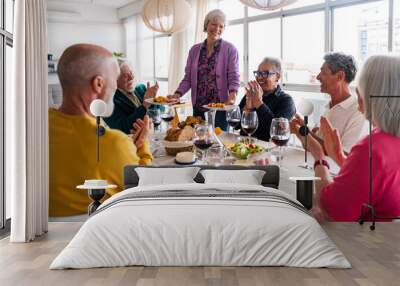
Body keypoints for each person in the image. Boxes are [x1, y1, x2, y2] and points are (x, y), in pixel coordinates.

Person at [290, 54, 400, 222]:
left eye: (362, 87)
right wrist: (340, 157)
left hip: (365, 243)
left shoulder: (371, 147)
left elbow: (331, 209)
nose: (357, 91)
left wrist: (319, 156)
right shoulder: (389, 140)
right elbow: (371, 180)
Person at [49, 44, 153, 216]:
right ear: (98, 83)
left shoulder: (35, 126)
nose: (115, 86)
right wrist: (143, 146)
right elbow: (142, 189)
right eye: (115, 78)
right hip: (104, 233)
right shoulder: (114, 143)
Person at [167, 9, 240, 130]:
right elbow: (188, 78)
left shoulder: (230, 49)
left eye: (221, 26)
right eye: (214, 24)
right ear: (207, 25)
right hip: (198, 107)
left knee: (219, 143)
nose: (217, 28)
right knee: (199, 142)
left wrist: (232, 97)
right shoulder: (194, 50)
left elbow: (234, 76)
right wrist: (177, 94)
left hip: (220, 108)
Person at [313, 52, 367, 152]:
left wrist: (305, 134)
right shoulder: (328, 106)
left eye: (324, 73)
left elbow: (345, 154)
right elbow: (319, 146)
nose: (318, 77)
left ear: (340, 76)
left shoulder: (358, 111)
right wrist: (311, 134)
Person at [238, 57, 295, 141]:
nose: (260, 77)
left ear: (277, 76)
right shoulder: (252, 94)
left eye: (265, 73)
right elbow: (237, 126)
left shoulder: (286, 101)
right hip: (244, 146)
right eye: (258, 73)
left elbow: (278, 132)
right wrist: (248, 108)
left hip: (270, 150)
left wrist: (258, 103)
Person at [104, 61, 159, 134]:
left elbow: (158, 113)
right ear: (114, 79)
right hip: (130, 142)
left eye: (131, 72)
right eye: (126, 76)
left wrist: (154, 100)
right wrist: (144, 106)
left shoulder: (141, 89)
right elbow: (122, 128)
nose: (131, 77)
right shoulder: (109, 100)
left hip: (151, 134)